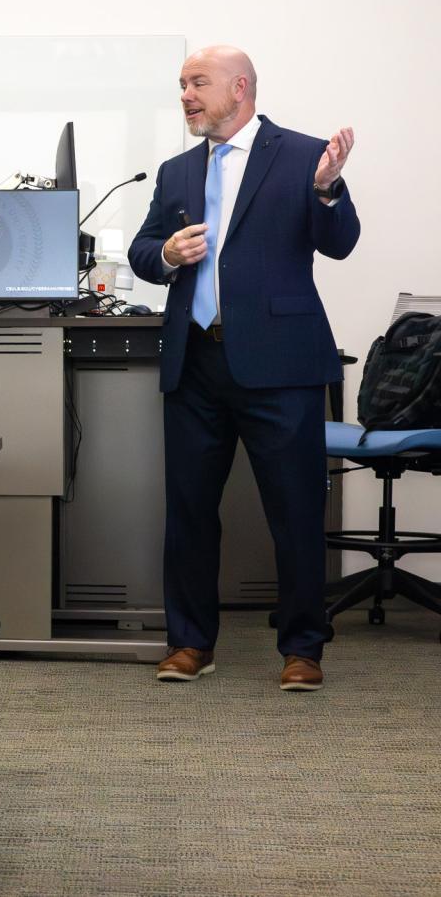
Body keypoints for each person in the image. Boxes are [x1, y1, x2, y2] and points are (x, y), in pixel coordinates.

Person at [128, 45, 359, 692]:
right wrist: (167, 253)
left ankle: (304, 647)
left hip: (280, 365)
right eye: (181, 84)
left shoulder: (303, 154)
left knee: (294, 511)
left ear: (241, 86)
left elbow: (339, 243)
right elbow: (145, 250)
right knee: (191, 510)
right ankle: (190, 642)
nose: (186, 95)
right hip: (196, 360)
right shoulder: (176, 170)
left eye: (197, 83)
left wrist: (327, 189)